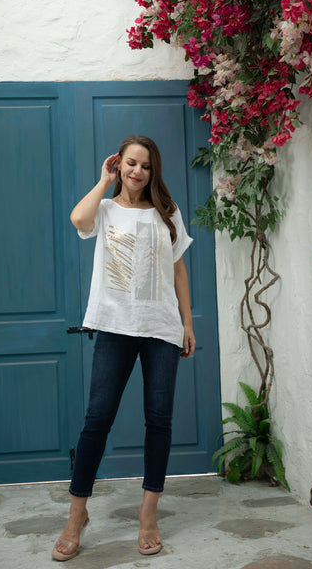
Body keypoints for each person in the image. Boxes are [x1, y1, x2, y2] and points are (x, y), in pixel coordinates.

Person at [52, 134, 196, 561]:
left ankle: (148, 514)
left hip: (161, 328)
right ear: (119, 165)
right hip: (115, 327)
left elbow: (179, 270)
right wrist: (104, 180)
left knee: (159, 420)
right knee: (97, 420)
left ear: (154, 171)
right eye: (131, 163)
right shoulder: (106, 208)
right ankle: (76, 516)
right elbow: (78, 219)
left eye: (146, 166)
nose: (138, 171)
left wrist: (187, 323)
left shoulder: (168, 212)